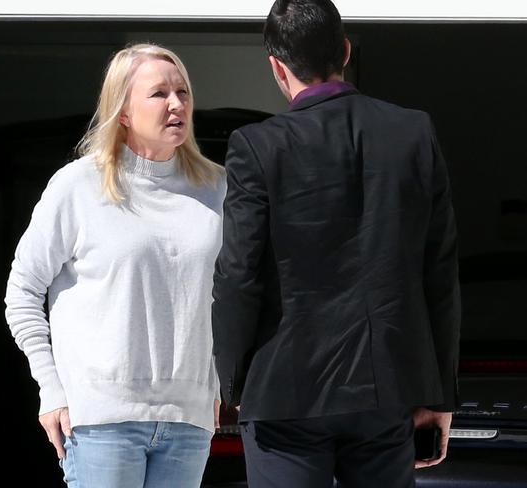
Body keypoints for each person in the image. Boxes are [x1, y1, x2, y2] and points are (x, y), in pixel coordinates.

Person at [211, 1, 461, 487]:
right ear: (345, 51)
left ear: (277, 67)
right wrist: (439, 395)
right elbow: (440, 271)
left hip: (285, 392)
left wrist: (232, 381)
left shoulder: (257, 146)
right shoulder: (412, 132)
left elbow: (239, 274)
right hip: (386, 387)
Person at [4, 43, 225, 488]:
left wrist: (218, 384)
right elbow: (22, 292)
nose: (177, 103)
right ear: (123, 110)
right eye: (159, 93)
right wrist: (51, 389)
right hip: (102, 420)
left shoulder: (217, 187)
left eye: (183, 91)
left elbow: (229, 293)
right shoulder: (79, 185)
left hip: (189, 419)